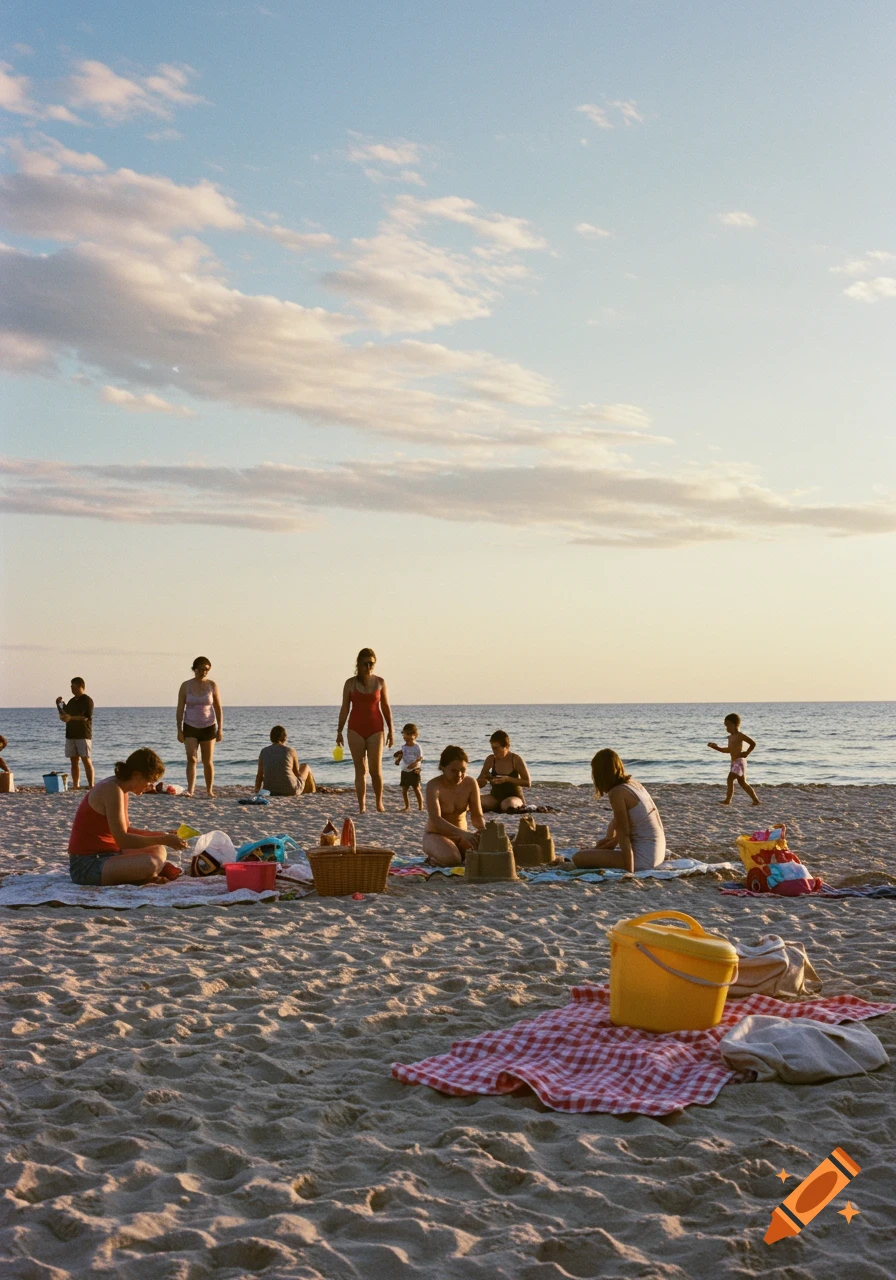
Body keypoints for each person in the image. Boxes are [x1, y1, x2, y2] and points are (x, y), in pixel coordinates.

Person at [67, 748, 188, 886]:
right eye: (149, 781)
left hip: (108, 854)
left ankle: (147, 874)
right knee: (150, 863)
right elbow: (123, 840)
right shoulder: (112, 790)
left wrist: (163, 835)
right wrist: (164, 839)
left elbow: (126, 829)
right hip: (87, 865)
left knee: (158, 849)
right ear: (137, 775)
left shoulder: (121, 789)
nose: (151, 786)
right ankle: (147, 875)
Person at [572, 749, 666, 872]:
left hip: (645, 858)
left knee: (578, 858)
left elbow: (624, 833)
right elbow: (624, 822)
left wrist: (629, 871)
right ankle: (610, 850)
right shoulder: (633, 784)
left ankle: (627, 863)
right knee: (611, 828)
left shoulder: (617, 792)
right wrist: (611, 841)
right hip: (658, 852)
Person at [336, 648, 394, 813]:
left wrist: (391, 730)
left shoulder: (380, 682)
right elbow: (345, 708)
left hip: (376, 729)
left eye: (372, 663)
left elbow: (386, 707)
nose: (369, 667)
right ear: (359, 664)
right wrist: (339, 731)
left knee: (376, 770)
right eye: (366, 663)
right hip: (355, 729)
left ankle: (378, 803)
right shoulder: (350, 683)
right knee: (361, 770)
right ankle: (362, 806)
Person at [423, 745, 486, 867]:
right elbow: (435, 819)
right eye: (454, 771)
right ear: (442, 767)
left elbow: (477, 816)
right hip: (435, 835)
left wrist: (483, 831)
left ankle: (452, 854)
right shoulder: (434, 786)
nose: (459, 775)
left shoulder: (471, 784)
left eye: (463, 770)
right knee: (453, 860)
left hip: (462, 837)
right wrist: (463, 834)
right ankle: (434, 858)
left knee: (486, 852)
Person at [176, 656, 223, 798]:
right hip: (190, 725)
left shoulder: (212, 685)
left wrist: (220, 729)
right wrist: (179, 730)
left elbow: (218, 708)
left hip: (208, 725)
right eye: (201, 669)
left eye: (207, 670)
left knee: (207, 760)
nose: (204, 672)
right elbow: (180, 708)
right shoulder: (186, 686)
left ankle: (209, 790)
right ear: (195, 669)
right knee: (192, 759)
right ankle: (190, 790)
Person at [708, 713, 760, 806]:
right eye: (725, 725)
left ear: (735, 725)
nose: (726, 728)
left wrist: (747, 752)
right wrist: (716, 747)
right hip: (734, 762)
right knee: (742, 783)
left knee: (730, 779)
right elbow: (728, 750)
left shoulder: (740, 736)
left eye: (728, 725)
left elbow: (753, 743)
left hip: (739, 762)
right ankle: (755, 800)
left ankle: (727, 800)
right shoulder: (730, 737)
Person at [476, 730, 531, 812]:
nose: (494, 751)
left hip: (514, 797)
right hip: (495, 797)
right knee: (474, 801)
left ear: (507, 746)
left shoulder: (515, 759)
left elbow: (527, 782)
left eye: (496, 748)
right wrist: (486, 778)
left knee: (507, 805)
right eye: (492, 748)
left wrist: (507, 779)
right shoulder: (490, 759)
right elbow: (479, 782)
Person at [55, 677, 95, 790]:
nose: (72, 689)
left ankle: (91, 785)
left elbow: (86, 717)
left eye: (73, 687)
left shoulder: (87, 700)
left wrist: (71, 718)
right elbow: (65, 714)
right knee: (73, 760)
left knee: (86, 759)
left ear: (80, 686)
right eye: (71, 687)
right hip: (70, 734)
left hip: (83, 734)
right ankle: (76, 785)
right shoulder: (72, 701)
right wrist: (58, 705)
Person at [255, 725, 317, 797]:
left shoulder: (264, 751)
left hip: (269, 790)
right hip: (290, 790)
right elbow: (296, 772)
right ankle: (313, 792)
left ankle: (309, 791)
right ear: (284, 737)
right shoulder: (290, 751)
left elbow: (260, 775)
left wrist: (257, 789)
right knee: (305, 766)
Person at [394, 722, 424, 811]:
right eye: (404, 734)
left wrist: (414, 764)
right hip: (405, 770)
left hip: (414, 770)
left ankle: (420, 806)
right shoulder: (404, 747)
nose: (405, 737)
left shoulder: (417, 747)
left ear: (415, 735)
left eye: (408, 735)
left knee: (416, 788)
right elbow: (402, 755)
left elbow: (420, 758)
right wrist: (398, 760)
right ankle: (407, 806)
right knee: (404, 789)